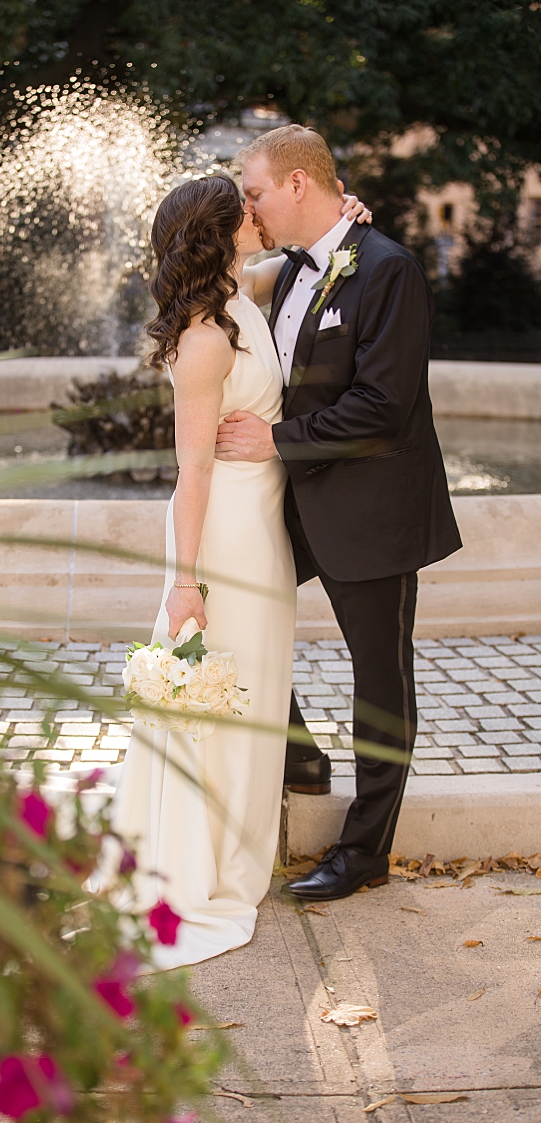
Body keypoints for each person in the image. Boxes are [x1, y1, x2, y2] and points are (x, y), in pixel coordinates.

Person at [111, 173, 373, 969]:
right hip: (221, 535)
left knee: (251, 692)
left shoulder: (240, 299)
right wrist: (185, 579)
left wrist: (345, 217)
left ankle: (234, 847)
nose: (260, 217)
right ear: (222, 232)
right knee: (211, 701)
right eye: (246, 210)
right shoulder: (205, 338)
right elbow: (190, 472)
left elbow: (304, 259)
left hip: (261, 532)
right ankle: (198, 865)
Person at [218, 125, 461, 902]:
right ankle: (302, 757)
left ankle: (365, 852)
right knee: (235, 602)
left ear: (297, 185)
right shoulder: (289, 271)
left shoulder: (388, 270)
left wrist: (274, 440)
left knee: (379, 681)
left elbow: (383, 409)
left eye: (254, 192)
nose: (248, 208)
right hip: (299, 495)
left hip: (375, 506)